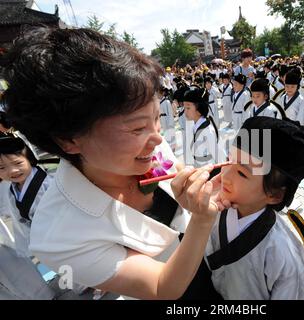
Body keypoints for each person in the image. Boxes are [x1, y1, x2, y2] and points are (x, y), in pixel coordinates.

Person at [1, 26, 233, 300]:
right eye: (136, 129)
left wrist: (196, 188)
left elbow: (175, 172)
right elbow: (161, 287)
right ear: (69, 140)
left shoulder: (147, 148)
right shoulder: (58, 234)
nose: (157, 138)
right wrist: (202, 221)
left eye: (156, 118)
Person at [204, 116, 304, 300]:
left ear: (275, 195)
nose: (225, 175)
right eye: (228, 161)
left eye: (242, 173)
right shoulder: (215, 209)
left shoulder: (283, 252)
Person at [0, 134, 56, 299]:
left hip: (60, 236)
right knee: (63, 267)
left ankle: (92, 283)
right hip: (41, 241)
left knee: (75, 263)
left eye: (17, 163)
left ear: (29, 159)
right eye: (1, 168)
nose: (12, 171)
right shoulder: (10, 189)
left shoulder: (49, 184)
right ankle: (81, 285)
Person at [183, 87, 225, 167]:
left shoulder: (208, 130)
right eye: (184, 108)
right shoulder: (193, 126)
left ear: (199, 110)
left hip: (208, 170)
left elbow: (219, 155)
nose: (185, 111)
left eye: (188, 108)